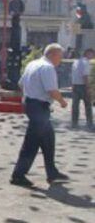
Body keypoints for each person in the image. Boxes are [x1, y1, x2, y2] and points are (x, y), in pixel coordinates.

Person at [11, 43, 70, 187]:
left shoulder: (33, 64)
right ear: (53, 54)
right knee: (31, 143)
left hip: (32, 105)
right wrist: (62, 102)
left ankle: (52, 172)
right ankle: (18, 175)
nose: (60, 60)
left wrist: (32, 91)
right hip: (39, 107)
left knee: (48, 139)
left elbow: (20, 84)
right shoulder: (48, 67)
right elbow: (52, 90)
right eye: (60, 57)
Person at [71, 48, 93, 129]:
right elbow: (85, 76)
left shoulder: (76, 62)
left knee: (75, 105)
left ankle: (74, 123)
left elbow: (73, 75)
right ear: (87, 53)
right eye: (92, 54)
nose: (92, 56)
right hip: (83, 86)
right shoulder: (86, 62)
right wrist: (88, 88)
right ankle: (89, 123)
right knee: (88, 105)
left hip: (75, 85)